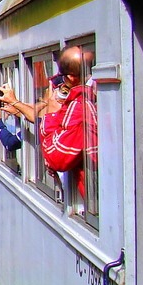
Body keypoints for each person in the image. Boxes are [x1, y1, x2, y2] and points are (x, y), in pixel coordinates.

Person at [40, 45, 97, 200]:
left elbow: (57, 158)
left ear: (71, 78)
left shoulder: (80, 106)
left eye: (62, 76)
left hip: (94, 198)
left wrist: (52, 113)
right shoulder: (93, 98)